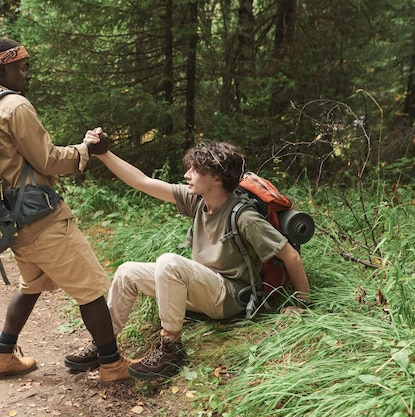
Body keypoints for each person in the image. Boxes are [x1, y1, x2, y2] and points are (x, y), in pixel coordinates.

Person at [65, 135, 311, 381]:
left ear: (216, 177)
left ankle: (170, 348)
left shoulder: (244, 217)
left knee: (169, 262)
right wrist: (103, 154)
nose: (187, 174)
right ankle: (104, 344)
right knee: (127, 271)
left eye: (195, 170)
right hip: (204, 288)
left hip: (230, 297)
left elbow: (291, 256)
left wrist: (301, 304)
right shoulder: (197, 200)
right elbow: (142, 182)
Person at [0, 37, 130, 384]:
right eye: (21, 67)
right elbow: (47, 160)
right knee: (90, 288)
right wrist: (86, 148)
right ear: (1, 68)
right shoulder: (14, 106)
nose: (27, 75)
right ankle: (113, 366)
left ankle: (2, 355)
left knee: (32, 284)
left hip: (9, 220)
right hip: (41, 219)